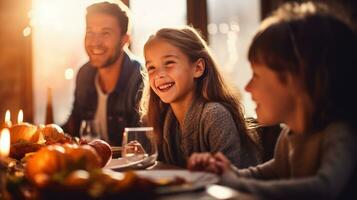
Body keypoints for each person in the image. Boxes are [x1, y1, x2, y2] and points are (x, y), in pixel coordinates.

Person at [187, 2, 357, 199]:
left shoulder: (340, 134)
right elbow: (266, 174)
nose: (247, 87)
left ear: (296, 80)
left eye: (256, 75)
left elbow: (323, 189)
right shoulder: (289, 135)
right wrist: (227, 173)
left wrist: (236, 183)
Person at [140, 26, 262, 168]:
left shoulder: (215, 115)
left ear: (198, 68)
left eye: (169, 63)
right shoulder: (164, 118)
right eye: (151, 68)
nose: (159, 74)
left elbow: (226, 178)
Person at [63, 1, 143, 146]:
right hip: (90, 165)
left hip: (126, 167)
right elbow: (73, 129)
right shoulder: (85, 74)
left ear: (125, 39)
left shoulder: (141, 78)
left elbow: (140, 146)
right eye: (90, 32)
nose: (95, 42)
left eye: (105, 33)